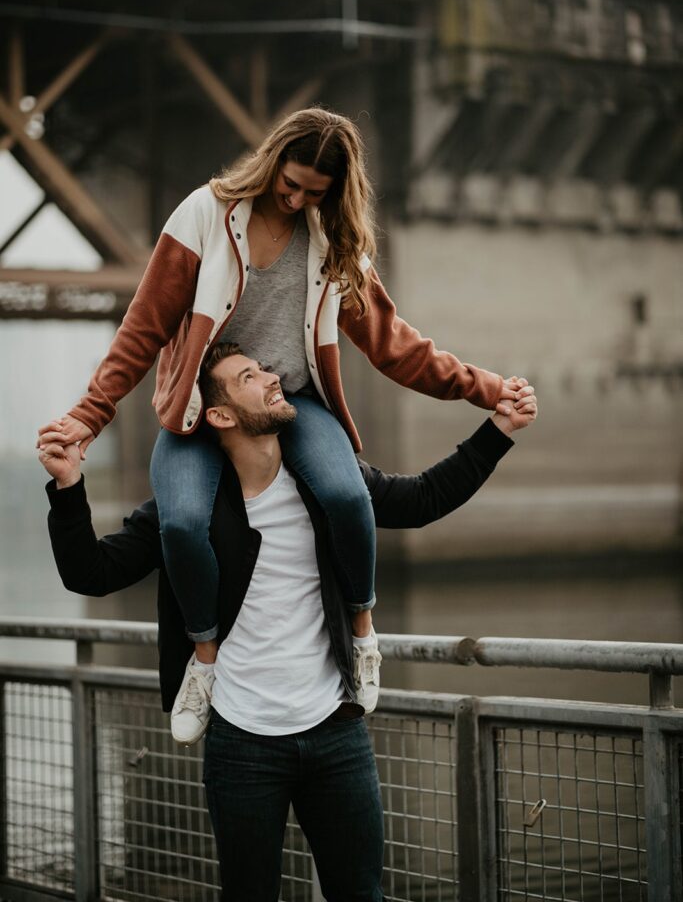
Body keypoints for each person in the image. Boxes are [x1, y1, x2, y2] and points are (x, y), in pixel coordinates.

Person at [37, 108, 528, 741]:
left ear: (335, 193)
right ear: (272, 162)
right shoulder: (204, 217)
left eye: (314, 193)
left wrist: (486, 389)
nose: (294, 199)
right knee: (183, 523)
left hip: (293, 402)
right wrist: (87, 417)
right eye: (288, 183)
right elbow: (143, 328)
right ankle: (204, 665)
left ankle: (362, 636)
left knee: (350, 495)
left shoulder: (334, 244)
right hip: (201, 409)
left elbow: (394, 346)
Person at [39, 342, 537, 902]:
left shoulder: (328, 488)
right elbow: (92, 573)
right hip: (241, 742)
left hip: (337, 728)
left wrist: (500, 430)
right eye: (249, 376)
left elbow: (421, 500)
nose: (274, 378)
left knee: (361, 894)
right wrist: (68, 488)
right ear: (220, 415)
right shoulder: (189, 512)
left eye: (265, 368)